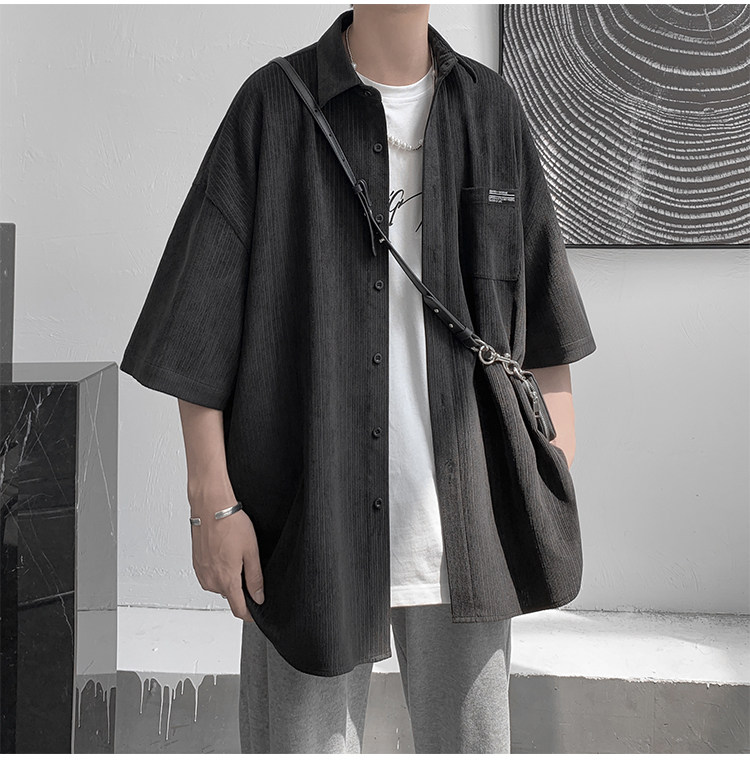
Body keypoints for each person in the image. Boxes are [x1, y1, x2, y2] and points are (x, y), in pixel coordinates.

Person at [120, 4, 596, 754]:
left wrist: (549, 472)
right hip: (306, 527)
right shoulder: (274, 107)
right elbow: (200, 320)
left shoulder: (493, 111)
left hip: (468, 532)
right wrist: (212, 504)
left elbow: (543, 325)